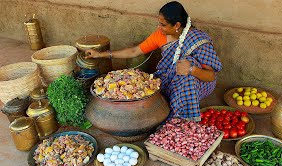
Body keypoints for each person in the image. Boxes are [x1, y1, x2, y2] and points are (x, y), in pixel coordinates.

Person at [85, 1, 222, 121]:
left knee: (187, 70)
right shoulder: (160, 35)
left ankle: (181, 120)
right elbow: (135, 51)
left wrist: (192, 69)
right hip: (170, 79)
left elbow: (210, 76)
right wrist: (100, 54)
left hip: (198, 84)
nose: (159, 27)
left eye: (162, 24)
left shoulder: (199, 41)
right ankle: (176, 101)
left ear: (177, 25)